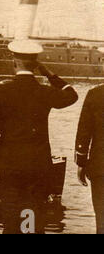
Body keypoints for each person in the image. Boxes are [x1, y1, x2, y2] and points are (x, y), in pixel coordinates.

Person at [0, 40, 78, 234]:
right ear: (36, 64)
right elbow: (72, 95)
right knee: (34, 213)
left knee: (11, 216)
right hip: (38, 163)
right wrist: (48, 73)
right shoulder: (44, 91)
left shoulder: (2, 90)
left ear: (14, 62)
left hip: (10, 162)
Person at [75, 84, 104, 234]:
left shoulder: (95, 93)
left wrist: (81, 162)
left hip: (101, 167)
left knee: (102, 221)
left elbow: (84, 131)